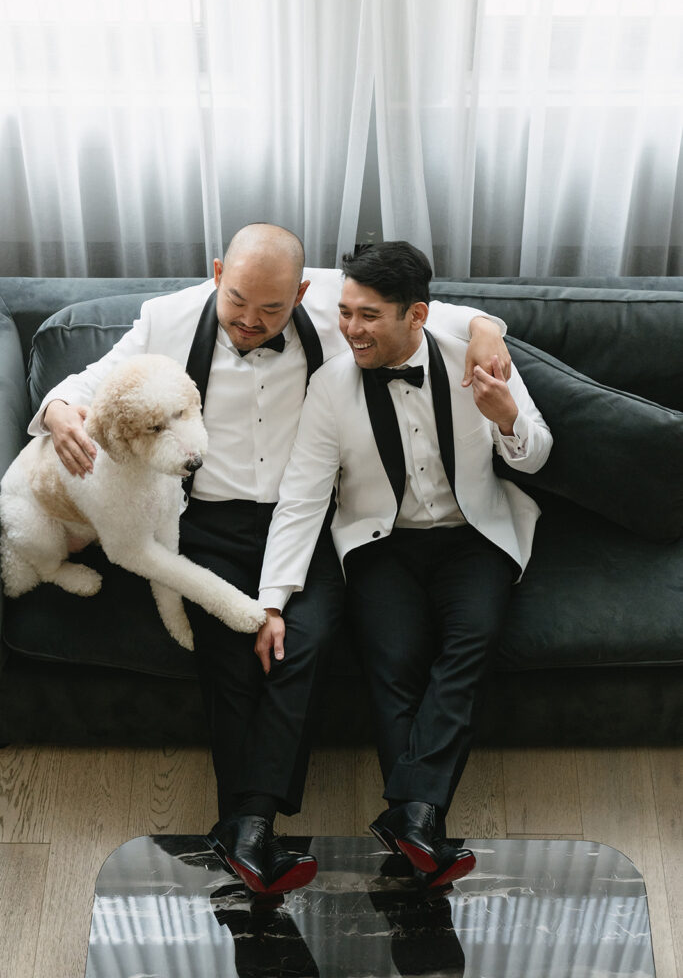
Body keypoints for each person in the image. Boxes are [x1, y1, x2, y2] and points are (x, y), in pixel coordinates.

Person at [32, 224, 511, 896]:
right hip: (205, 522)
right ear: (217, 272)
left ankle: (246, 829)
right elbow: (89, 381)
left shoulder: (331, 307)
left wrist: (487, 327)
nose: (251, 321)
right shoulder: (166, 319)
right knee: (230, 651)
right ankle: (250, 827)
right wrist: (58, 409)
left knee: (300, 644)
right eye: (237, 301)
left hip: (301, 519)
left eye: (272, 309)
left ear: (303, 293)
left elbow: (423, 311)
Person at [257, 240, 553, 888]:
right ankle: (419, 824)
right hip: (380, 543)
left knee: (468, 647)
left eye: (368, 316)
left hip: (472, 536)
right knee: (392, 665)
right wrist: (273, 599)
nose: (351, 329)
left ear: (416, 315)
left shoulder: (475, 356)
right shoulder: (330, 386)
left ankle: (411, 816)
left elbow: (536, 455)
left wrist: (508, 421)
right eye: (345, 312)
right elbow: (303, 497)